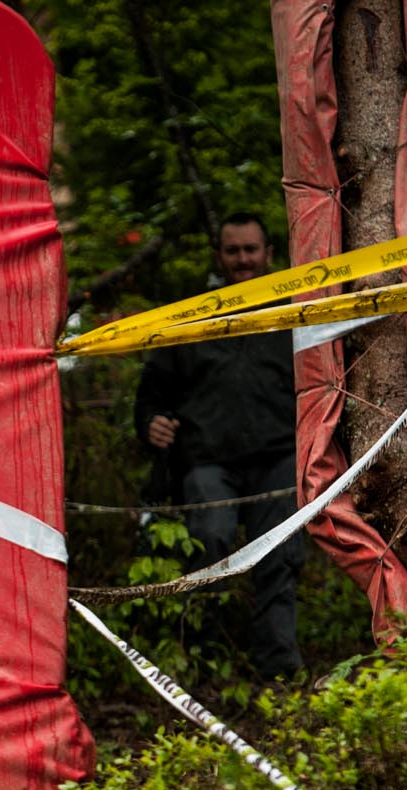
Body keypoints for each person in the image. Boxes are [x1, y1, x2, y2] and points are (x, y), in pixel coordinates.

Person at [132, 212, 304, 682]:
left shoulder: (295, 310)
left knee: (280, 556)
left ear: (269, 254)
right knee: (208, 544)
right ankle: (205, 665)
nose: (243, 260)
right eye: (233, 251)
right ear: (219, 257)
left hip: (278, 459)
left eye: (251, 250)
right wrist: (150, 424)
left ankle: (278, 670)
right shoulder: (190, 315)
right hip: (207, 463)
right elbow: (152, 392)